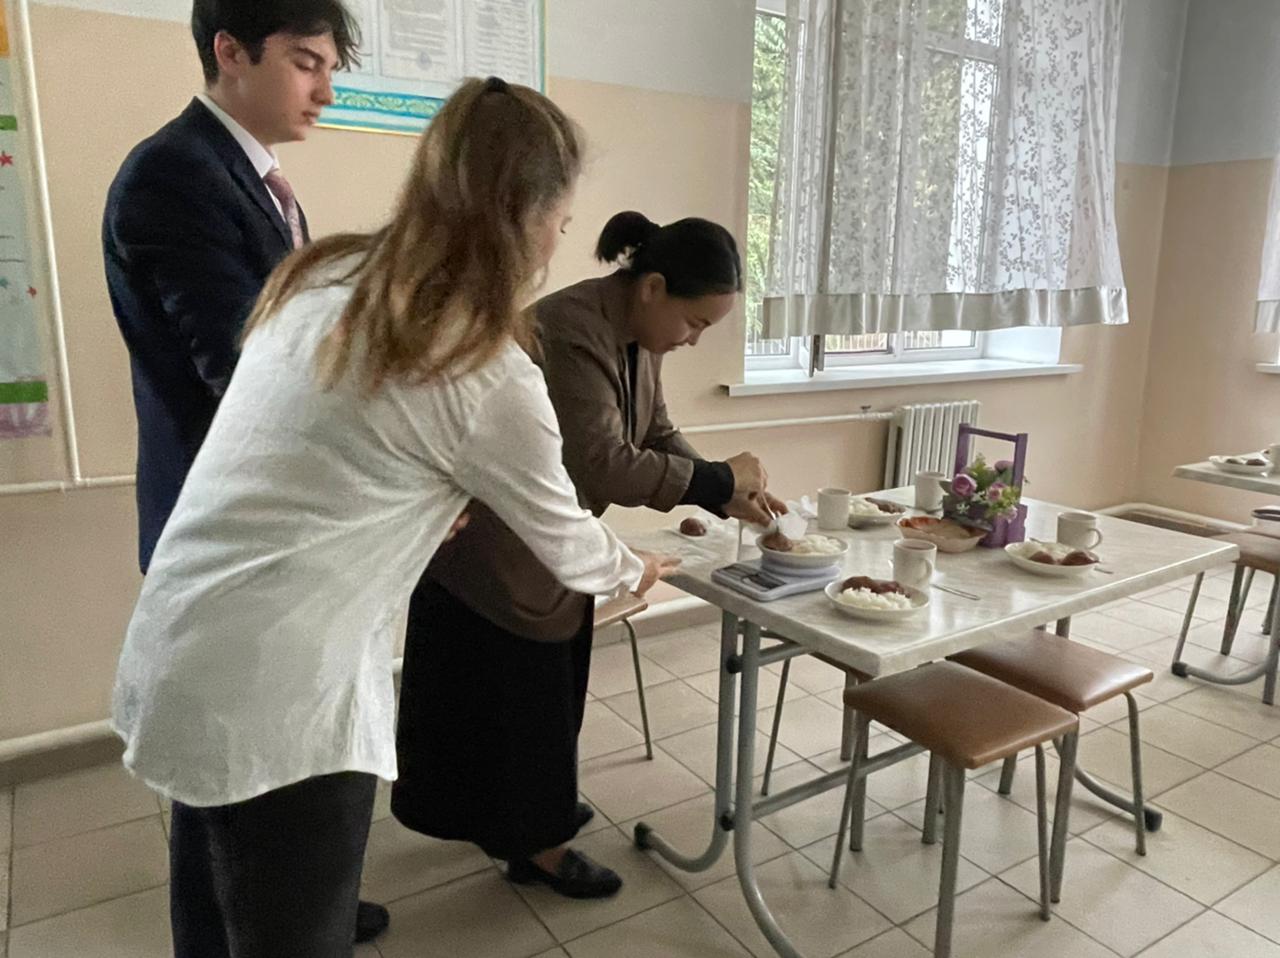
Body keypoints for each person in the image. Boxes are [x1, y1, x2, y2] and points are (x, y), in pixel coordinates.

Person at [110, 77, 677, 958]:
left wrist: (411, 503)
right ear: (526, 215)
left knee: (215, 921)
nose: (557, 244)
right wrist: (636, 568)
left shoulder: (324, 276)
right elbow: (565, 539)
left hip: (184, 645)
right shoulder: (483, 365)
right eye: (562, 223)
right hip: (285, 697)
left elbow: (315, 457)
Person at [391, 211, 786, 899]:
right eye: (695, 322)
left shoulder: (636, 332)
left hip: (550, 543)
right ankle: (537, 846)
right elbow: (602, 463)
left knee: (539, 696)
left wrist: (724, 495)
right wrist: (718, 479)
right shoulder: (571, 330)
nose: (693, 340)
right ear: (653, 288)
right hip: (498, 547)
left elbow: (654, 431)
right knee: (521, 701)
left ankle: (525, 818)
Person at [103, 0, 350, 574]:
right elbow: (243, 366)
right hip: (221, 527)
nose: (326, 94)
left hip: (268, 516)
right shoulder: (174, 174)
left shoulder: (256, 182)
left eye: (330, 70)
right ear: (231, 52)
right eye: (306, 64)